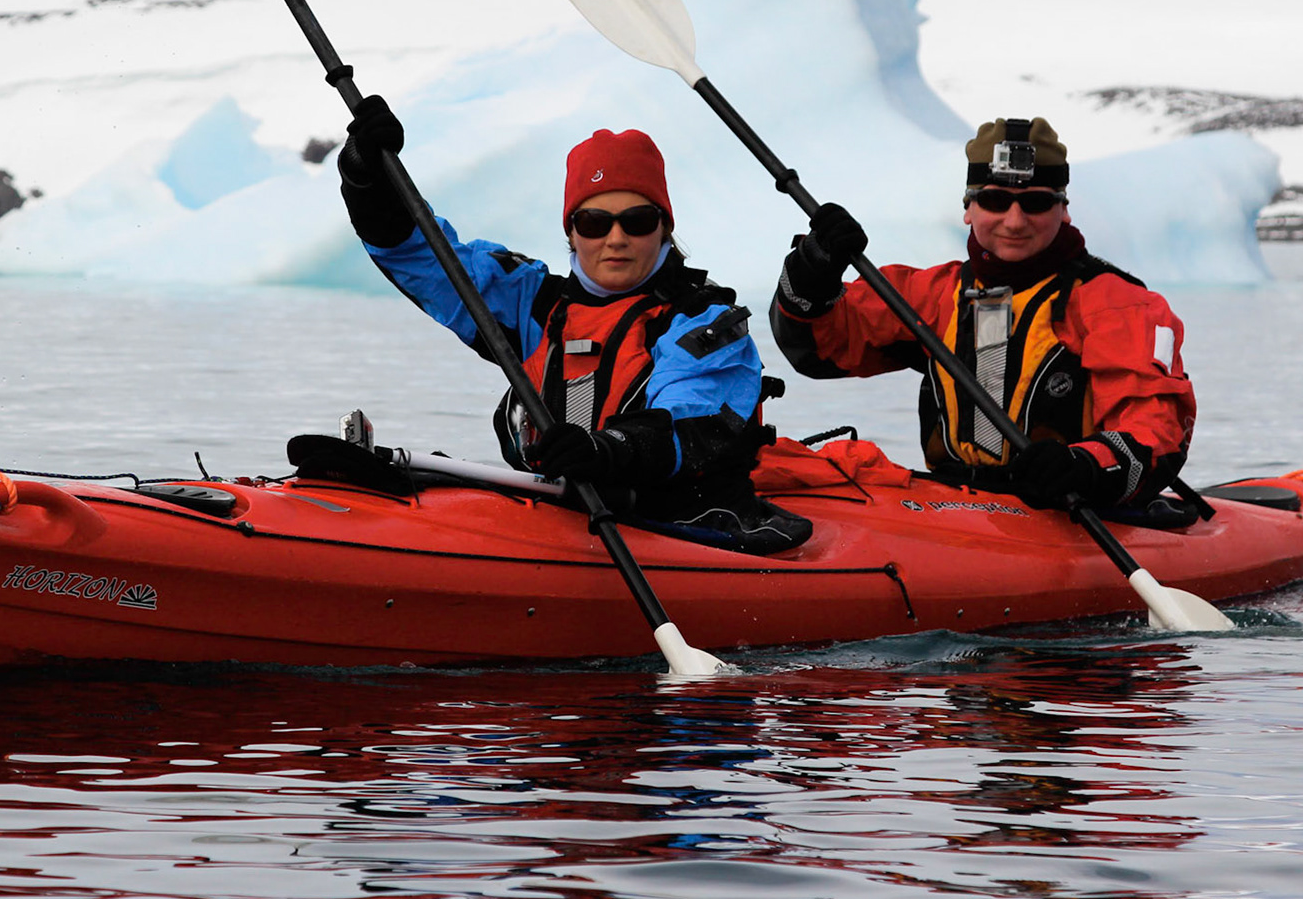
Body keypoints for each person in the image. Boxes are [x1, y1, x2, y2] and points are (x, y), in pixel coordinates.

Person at [337, 95, 811, 554]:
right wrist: (369, 180)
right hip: (560, 515)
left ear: (664, 228)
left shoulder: (704, 321)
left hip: (684, 526)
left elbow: (686, 423)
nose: (616, 239)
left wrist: (607, 450)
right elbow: (429, 261)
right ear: (571, 231)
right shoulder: (535, 303)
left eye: (639, 220)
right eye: (594, 223)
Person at [769, 117, 1197, 514]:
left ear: (1063, 209)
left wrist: (1084, 466)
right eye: (995, 201)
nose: (1014, 221)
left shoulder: (1120, 306)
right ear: (968, 208)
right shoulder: (930, 295)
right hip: (958, 507)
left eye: (1035, 203)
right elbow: (818, 350)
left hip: (1073, 511)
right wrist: (812, 271)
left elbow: (1154, 431)